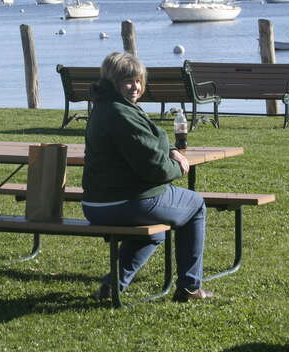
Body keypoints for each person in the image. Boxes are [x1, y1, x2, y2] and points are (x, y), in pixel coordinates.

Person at [81, 51, 213, 302]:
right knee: (195, 204)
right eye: (128, 81)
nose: (136, 86)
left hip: (95, 205)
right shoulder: (122, 114)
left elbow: (152, 139)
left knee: (153, 232)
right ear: (113, 82)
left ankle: (113, 287)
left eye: (139, 80)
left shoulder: (104, 107)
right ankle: (190, 288)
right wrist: (179, 168)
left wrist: (172, 150)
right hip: (129, 202)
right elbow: (155, 169)